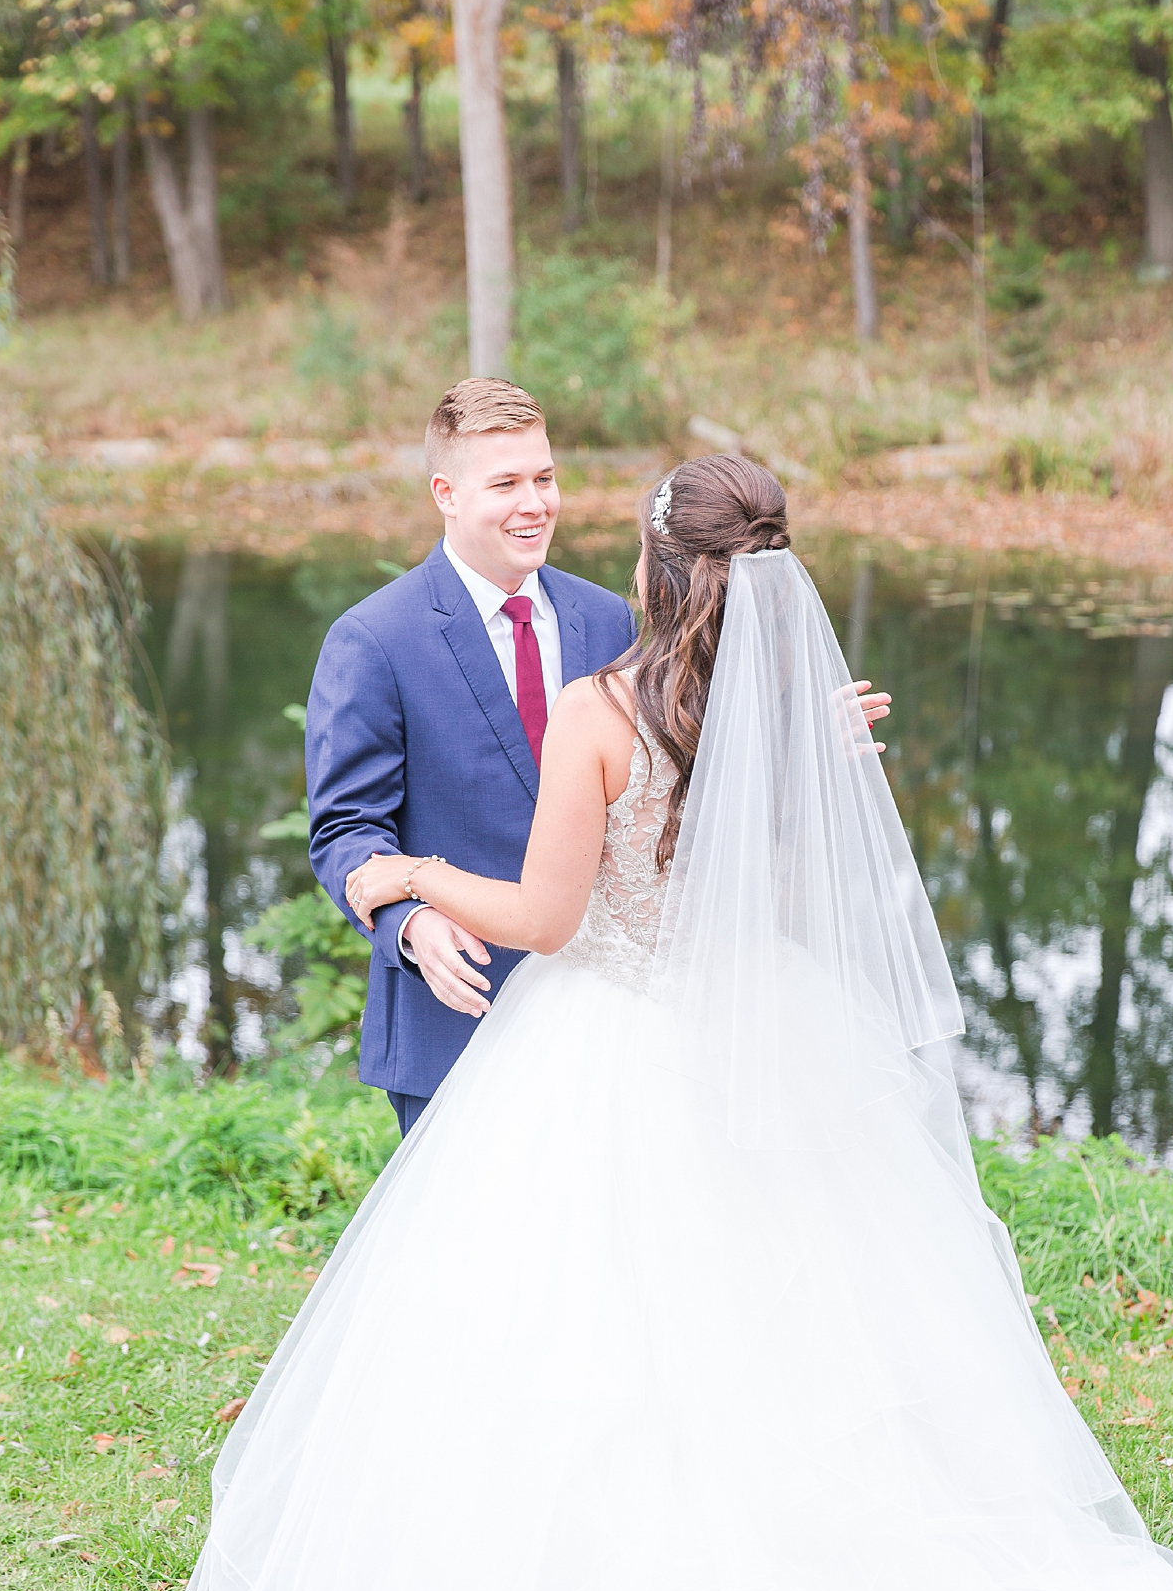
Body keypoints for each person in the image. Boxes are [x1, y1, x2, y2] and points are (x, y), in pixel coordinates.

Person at [171, 456, 1173, 1591]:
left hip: (607, 1056)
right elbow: (782, 895)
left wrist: (407, 872)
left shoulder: (603, 712)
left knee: (592, 1345)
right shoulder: (790, 711)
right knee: (789, 1329)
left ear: (658, 564)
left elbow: (545, 920)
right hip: (763, 1045)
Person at [305, 377, 891, 1134]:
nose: (535, 504)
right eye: (506, 483)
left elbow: (683, 766)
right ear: (446, 493)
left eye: (544, 478)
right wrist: (409, 921)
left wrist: (785, 741)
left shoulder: (610, 615)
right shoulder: (375, 638)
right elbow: (346, 829)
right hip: (458, 1005)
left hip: (640, 1025)